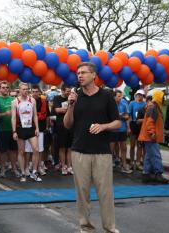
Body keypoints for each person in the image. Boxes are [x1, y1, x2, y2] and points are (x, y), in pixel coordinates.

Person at [64, 62, 121, 233]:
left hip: (102, 152)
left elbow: (118, 122)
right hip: (79, 150)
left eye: (83, 73)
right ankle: (86, 227)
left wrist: (103, 126)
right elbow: (67, 125)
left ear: (94, 75)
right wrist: (71, 105)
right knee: (82, 194)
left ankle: (110, 228)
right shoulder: (76, 96)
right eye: (78, 73)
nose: (79, 76)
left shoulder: (106, 96)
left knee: (105, 193)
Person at [11, 82, 41, 182]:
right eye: (23, 89)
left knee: (36, 149)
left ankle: (34, 172)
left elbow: (35, 115)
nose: (25, 91)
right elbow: (13, 118)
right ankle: (23, 173)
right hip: (20, 128)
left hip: (31, 128)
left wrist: (37, 128)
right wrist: (14, 131)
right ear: (19, 90)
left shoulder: (32, 100)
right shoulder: (15, 102)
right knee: (21, 151)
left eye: (26, 89)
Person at [138, 90, 169, 184]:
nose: (164, 99)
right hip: (151, 136)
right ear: (159, 97)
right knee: (156, 155)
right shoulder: (154, 108)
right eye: (163, 97)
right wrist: (152, 133)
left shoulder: (154, 107)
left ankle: (146, 174)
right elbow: (150, 122)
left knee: (148, 156)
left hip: (149, 136)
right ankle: (158, 173)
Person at [0, 81, 20, 178]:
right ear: (0, 89)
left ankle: (14, 168)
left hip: (13, 129)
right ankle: (2, 169)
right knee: (3, 151)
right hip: (2, 129)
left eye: (7, 87)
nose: (5, 89)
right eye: (3, 87)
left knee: (14, 150)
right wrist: (4, 114)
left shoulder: (13, 100)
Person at [53, 84, 73, 175]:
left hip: (71, 125)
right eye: (67, 91)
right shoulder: (57, 98)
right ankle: (63, 166)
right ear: (62, 90)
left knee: (70, 147)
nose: (69, 93)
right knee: (62, 147)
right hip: (60, 125)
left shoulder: (72, 98)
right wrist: (70, 108)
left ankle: (69, 166)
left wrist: (66, 109)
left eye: (70, 91)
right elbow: (57, 110)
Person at [110, 90, 131, 173]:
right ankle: (109, 164)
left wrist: (128, 128)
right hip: (113, 129)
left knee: (124, 148)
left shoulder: (124, 103)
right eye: (118, 96)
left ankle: (124, 165)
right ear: (114, 97)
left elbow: (127, 116)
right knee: (111, 148)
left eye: (121, 96)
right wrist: (120, 115)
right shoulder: (110, 104)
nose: (120, 98)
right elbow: (111, 116)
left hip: (122, 129)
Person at [127, 89, 146, 170]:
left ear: (143, 96)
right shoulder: (132, 103)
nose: (139, 96)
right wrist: (128, 127)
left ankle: (138, 162)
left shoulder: (145, 104)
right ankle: (131, 162)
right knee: (132, 145)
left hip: (141, 126)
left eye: (141, 95)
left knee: (140, 145)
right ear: (135, 95)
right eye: (138, 94)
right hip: (133, 125)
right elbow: (129, 116)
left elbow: (147, 116)